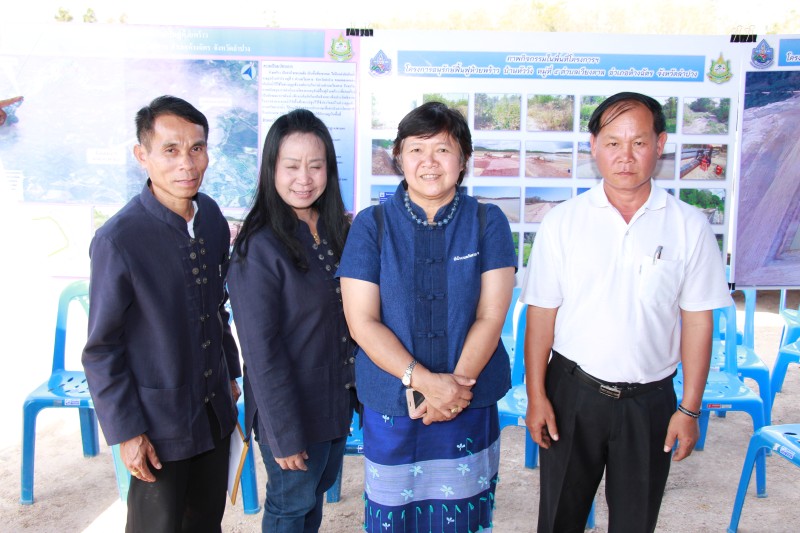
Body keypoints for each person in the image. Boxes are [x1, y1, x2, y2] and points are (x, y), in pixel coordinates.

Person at [520, 92, 733, 532]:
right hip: (572, 394)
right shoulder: (563, 222)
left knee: (636, 523)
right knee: (558, 519)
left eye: (638, 142)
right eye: (613, 143)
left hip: (650, 403)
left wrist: (689, 410)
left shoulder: (688, 225)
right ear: (594, 146)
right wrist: (537, 396)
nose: (625, 156)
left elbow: (697, 321)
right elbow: (541, 315)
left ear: (660, 144)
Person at [338, 101, 517, 532]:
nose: (429, 162)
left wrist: (453, 391)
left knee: (462, 517)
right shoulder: (371, 224)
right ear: (398, 157)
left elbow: (491, 315)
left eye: (443, 149)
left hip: (469, 397)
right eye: (416, 149)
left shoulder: (488, 221)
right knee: (392, 516)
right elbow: (362, 322)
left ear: (464, 159)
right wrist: (426, 383)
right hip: (393, 402)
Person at [82, 95, 242, 532]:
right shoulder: (118, 239)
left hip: (213, 412)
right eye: (170, 149)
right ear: (143, 155)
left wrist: (229, 373)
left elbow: (217, 306)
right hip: (157, 426)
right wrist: (127, 432)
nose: (187, 163)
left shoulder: (211, 217)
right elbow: (101, 349)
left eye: (197, 148)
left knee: (206, 523)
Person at [227, 109, 356, 532]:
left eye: (315, 166)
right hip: (291, 411)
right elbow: (261, 352)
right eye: (291, 166)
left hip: (333, 401)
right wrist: (283, 433)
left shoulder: (335, 231)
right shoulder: (258, 247)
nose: (304, 178)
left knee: (311, 500)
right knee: (290, 508)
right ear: (271, 169)